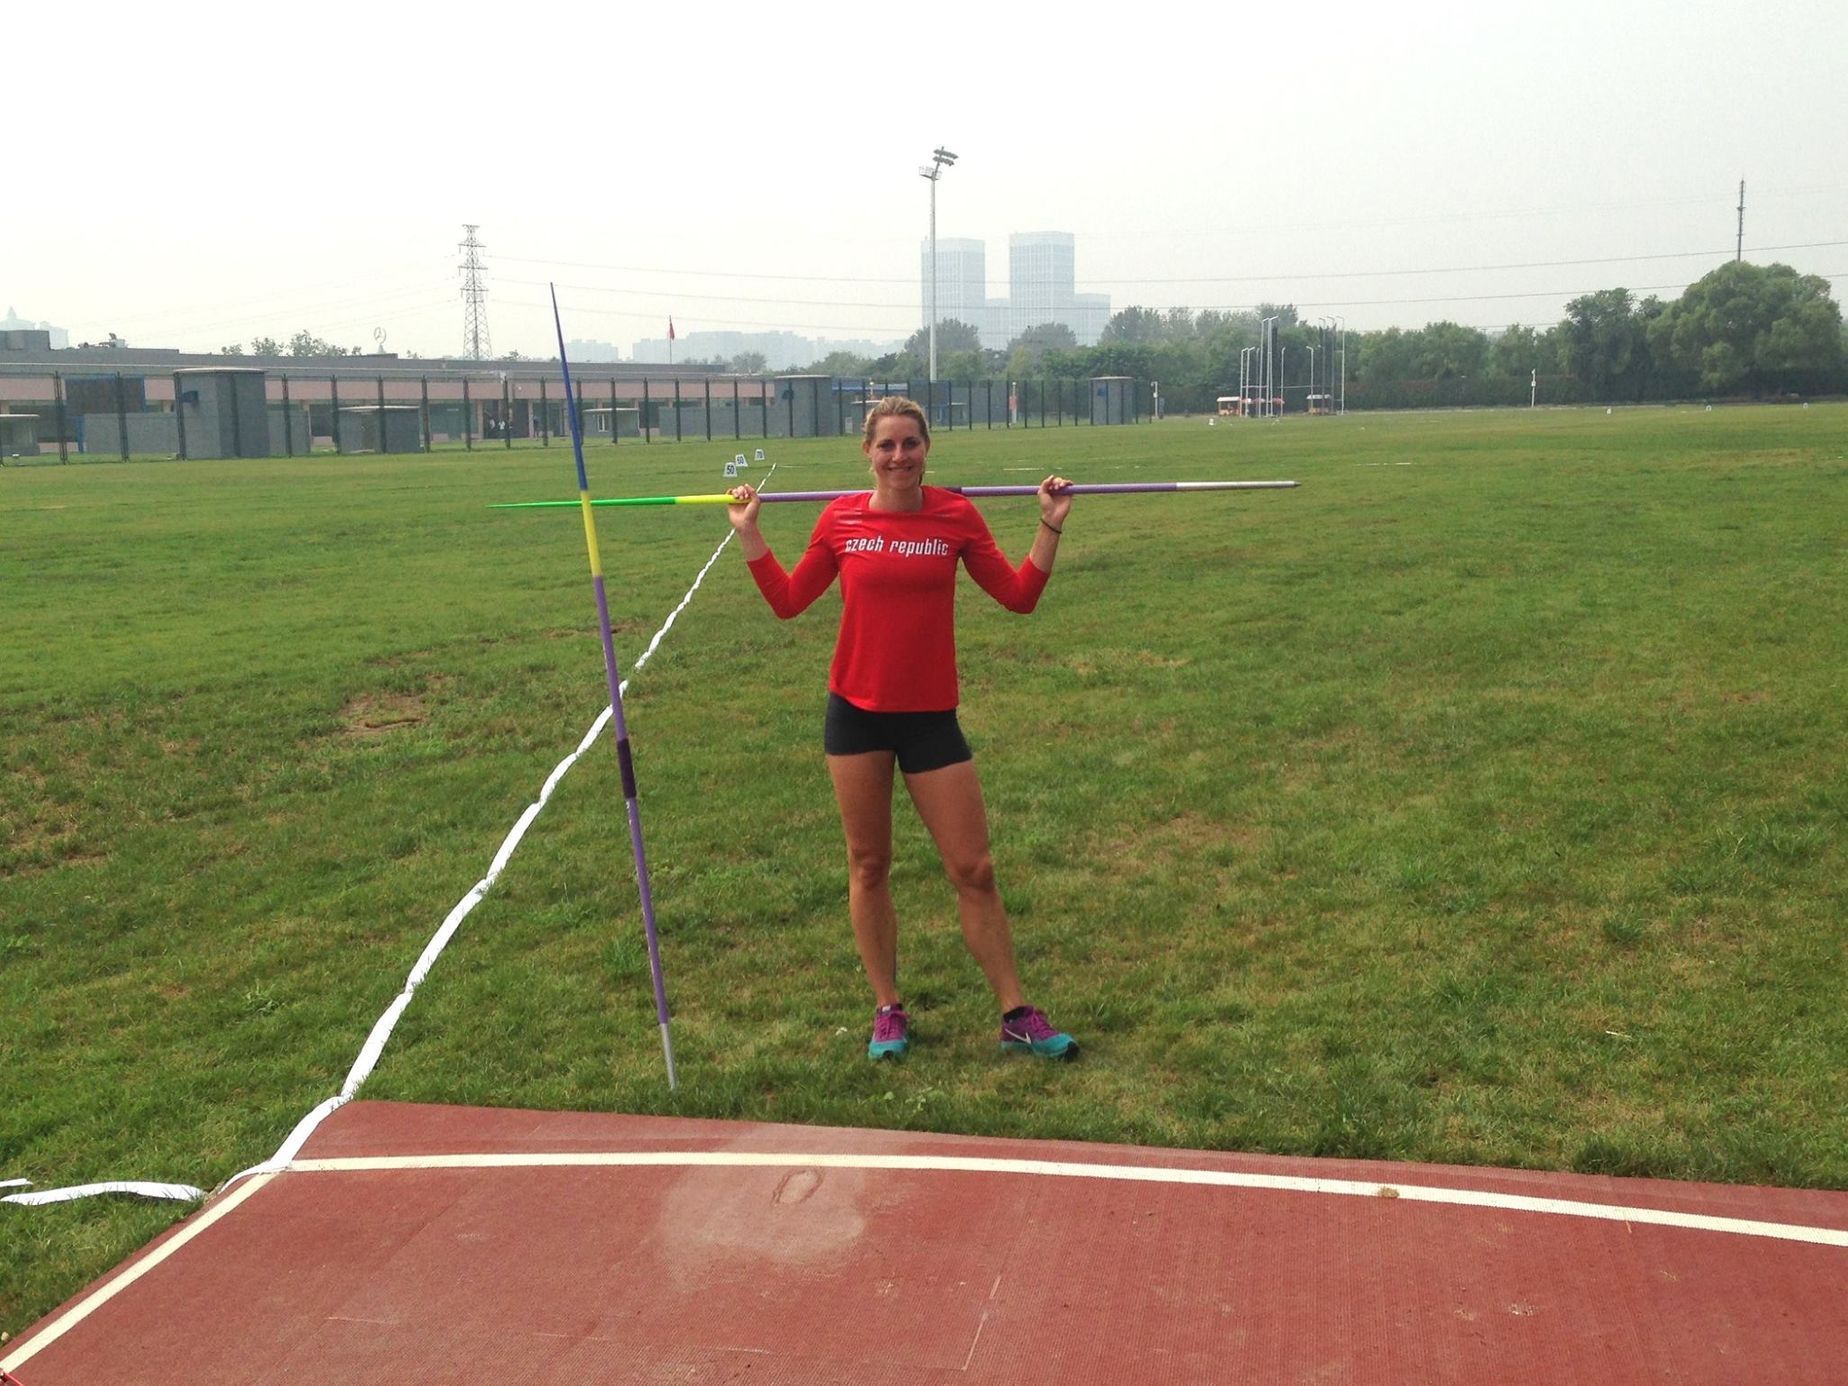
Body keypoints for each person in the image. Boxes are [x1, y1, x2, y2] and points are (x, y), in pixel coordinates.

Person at [727, 396, 1078, 1062]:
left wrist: (1049, 526)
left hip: (929, 717)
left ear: (927, 449)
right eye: (886, 446)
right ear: (868, 453)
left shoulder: (955, 516)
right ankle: (888, 1008)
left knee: (973, 868)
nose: (899, 457)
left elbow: (1018, 597)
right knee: (869, 864)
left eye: (910, 444)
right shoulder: (840, 520)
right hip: (855, 713)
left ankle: (1014, 1012)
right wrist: (749, 534)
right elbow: (788, 602)